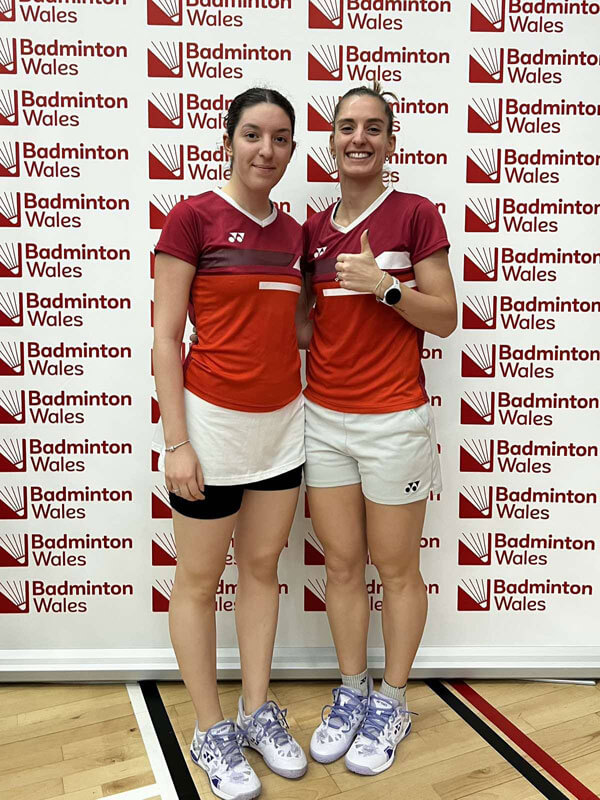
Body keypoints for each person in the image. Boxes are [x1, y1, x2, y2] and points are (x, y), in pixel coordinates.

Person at [152, 87, 308, 800]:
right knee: (197, 580)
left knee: (262, 568)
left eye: (279, 138)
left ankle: (255, 710)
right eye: (252, 135)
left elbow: (297, 328)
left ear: (291, 150)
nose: (265, 150)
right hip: (210, 430)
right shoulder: (192, 218)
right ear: (228, 142)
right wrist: (176, 442)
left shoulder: (296, 234)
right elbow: (166, 339)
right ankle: (210, 728)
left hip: (281, 430)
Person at [298, 83, 457, 775]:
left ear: (391, 142)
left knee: (395, 569)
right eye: (346, 127)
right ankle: (352, 691)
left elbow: (445, 317)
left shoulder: (416, 213)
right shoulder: (312, 230)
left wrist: (385, 287)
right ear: (331, 141)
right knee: (339, 565)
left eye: (372, 127)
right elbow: (309, 326)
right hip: (323, 420)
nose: (358, 138)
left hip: (394, 421)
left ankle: (392, 699)